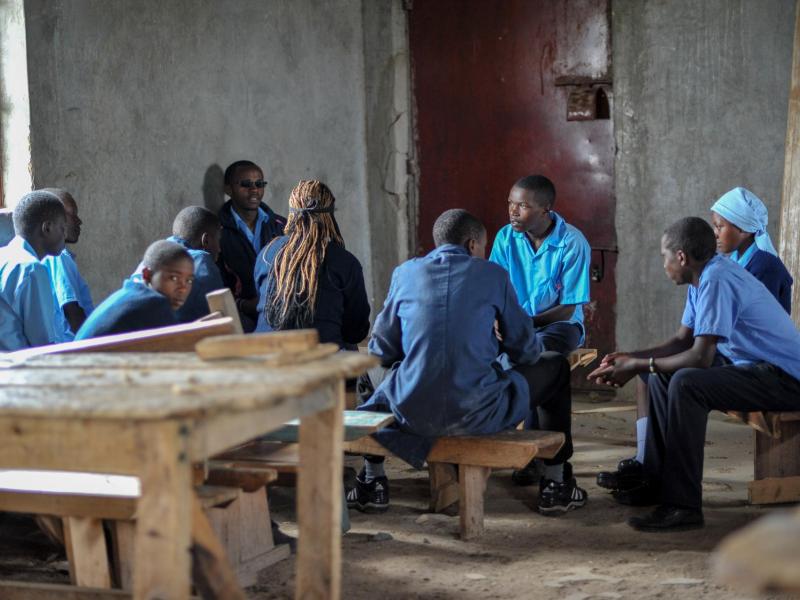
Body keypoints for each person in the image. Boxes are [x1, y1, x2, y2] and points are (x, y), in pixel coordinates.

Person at [350, 209, 586, 515]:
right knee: (555, 365)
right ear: (472, 244)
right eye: (484, 247)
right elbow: (526, 351)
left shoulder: (405, 273)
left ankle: (372, 481)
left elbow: (382, 347)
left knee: (367, 363)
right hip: (480, 413)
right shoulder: (492, 275)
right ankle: (556, 484)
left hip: (412, 412)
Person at [588, 217, 800, 532]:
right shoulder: (701, 277)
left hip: (786, 378)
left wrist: (636, 366)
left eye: (664, 256)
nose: (664, 265)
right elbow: (681, 340)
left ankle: (682, 506)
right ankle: (655, 481)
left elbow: (700, 358)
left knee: (687, 383)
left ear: (682, 257)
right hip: (752, 367)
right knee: (661, 377)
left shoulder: (717, 279)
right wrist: (632, 358)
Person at [254, 180, 369, 348]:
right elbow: (356, 331)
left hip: (265, 361)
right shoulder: (344, 262)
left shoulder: (267, 254)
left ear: (292, 213)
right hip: (321, 365)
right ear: (329, 216)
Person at [489, 175, 591, 356]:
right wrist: (497, 319)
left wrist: (525, 323)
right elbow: (494, 290)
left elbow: (568, 308)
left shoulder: (572, 242)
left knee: (536, 350)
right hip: (514, 323)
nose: (513, 211)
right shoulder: (505, 238)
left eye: (523, 206)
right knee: (475, 345)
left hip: (558, 326)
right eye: (510, 203)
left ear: (546, 209)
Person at [218, 160, 286, 331]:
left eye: (259, 184)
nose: (254, 189)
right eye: (246, 184)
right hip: (238, 318)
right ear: (228, 189)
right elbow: (214, 285)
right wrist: (244, 305)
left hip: (279, 314)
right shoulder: (216, 230)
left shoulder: (281, 226)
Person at [76, 240, 194, 339]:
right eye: (173, 278)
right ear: (147, 275)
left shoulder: (129, 293)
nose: (183, 288)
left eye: (189, 281)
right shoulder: (155, 304)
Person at [130, 206, 224, 323]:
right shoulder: (200, 260)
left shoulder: (156, 257)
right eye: (219, 240)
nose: (219, 249)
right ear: (206, 240)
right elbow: (222, 318)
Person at [0, 190, 66, 351]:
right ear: (47, 228)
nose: (65, 235)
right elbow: (43, 345)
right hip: (20, 370)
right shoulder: (31, 269)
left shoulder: (4, 256)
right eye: (62, 228)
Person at [711, 187, 792, 313]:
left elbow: (760, 321)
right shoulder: (736, 259)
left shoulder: (765, 267)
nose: (715, 234)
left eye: (719, 226)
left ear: (744, 228)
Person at [41, 188, 94, 341]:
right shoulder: (59, 256)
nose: (79, 221)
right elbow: (72, 310)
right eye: (72, 214)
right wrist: (93, 346)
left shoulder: (46, 255)